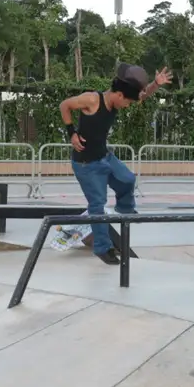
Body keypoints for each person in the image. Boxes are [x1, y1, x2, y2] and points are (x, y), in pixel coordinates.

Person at [60, 63, 172, 264]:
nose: (127, 106)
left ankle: (125, 210)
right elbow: (65, 105)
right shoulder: (92, 99)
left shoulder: (121, 97)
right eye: (127, 103)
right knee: (98, 205)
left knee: (127, 179)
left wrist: (156, 84)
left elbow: (142, 96)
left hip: (105, 157)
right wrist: (72, 133)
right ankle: (103, 248)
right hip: (86, 165)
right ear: (119, 95)